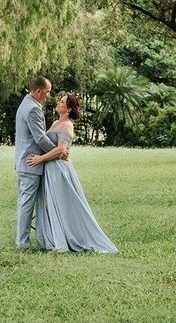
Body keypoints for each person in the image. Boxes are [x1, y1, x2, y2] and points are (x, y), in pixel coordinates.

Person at [28, 93, 118, 254]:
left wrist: (40, 158)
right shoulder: (56, 122)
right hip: (50, 167)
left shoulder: (67, 125)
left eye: (62, 102)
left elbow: (62, 149)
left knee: (58, 203)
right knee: (49, 204)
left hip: (59, 169)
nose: (58, 102)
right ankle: (52, 239)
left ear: (68, 109)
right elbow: (49, 144)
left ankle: (61, 242)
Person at [14, 75, 64, 250]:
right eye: (48, 92)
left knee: (25, 202)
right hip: (31, 163)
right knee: (26, 204)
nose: (49, 96)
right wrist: (58, 152)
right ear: (38, 91)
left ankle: (39, 239)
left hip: (25, 163)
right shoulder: (33, 109)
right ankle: (22, 243)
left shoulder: (25, 104)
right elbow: (40, 138)